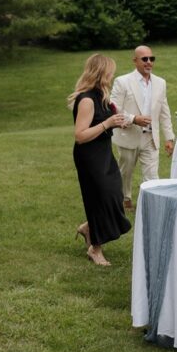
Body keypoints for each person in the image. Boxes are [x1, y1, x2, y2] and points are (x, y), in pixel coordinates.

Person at [70, 54, 131, 266]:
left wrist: (116, 122)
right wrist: (107, 124)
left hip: (103, 153)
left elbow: (105, 121)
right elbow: (80, 136)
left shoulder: (102, 97)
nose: (113, 74)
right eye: (110, 71)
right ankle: (95, 249)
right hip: (90, 157)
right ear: (101, 72)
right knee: (100, 199)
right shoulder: (86, 99)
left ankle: (88, 227)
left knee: (114, 195)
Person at [111, 45, 175, 211]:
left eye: (151, 59)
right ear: (135, 61)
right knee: (126, 172)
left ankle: (151, 205)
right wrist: (133, 119)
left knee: (152, 175)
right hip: (128, 136)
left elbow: (164, 111)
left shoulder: (160, 83)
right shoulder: (122, 81)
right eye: (144, 59)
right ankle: (125, 198)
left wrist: (169, 137)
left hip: (150, 138)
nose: (149, 62)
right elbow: (113, 109)